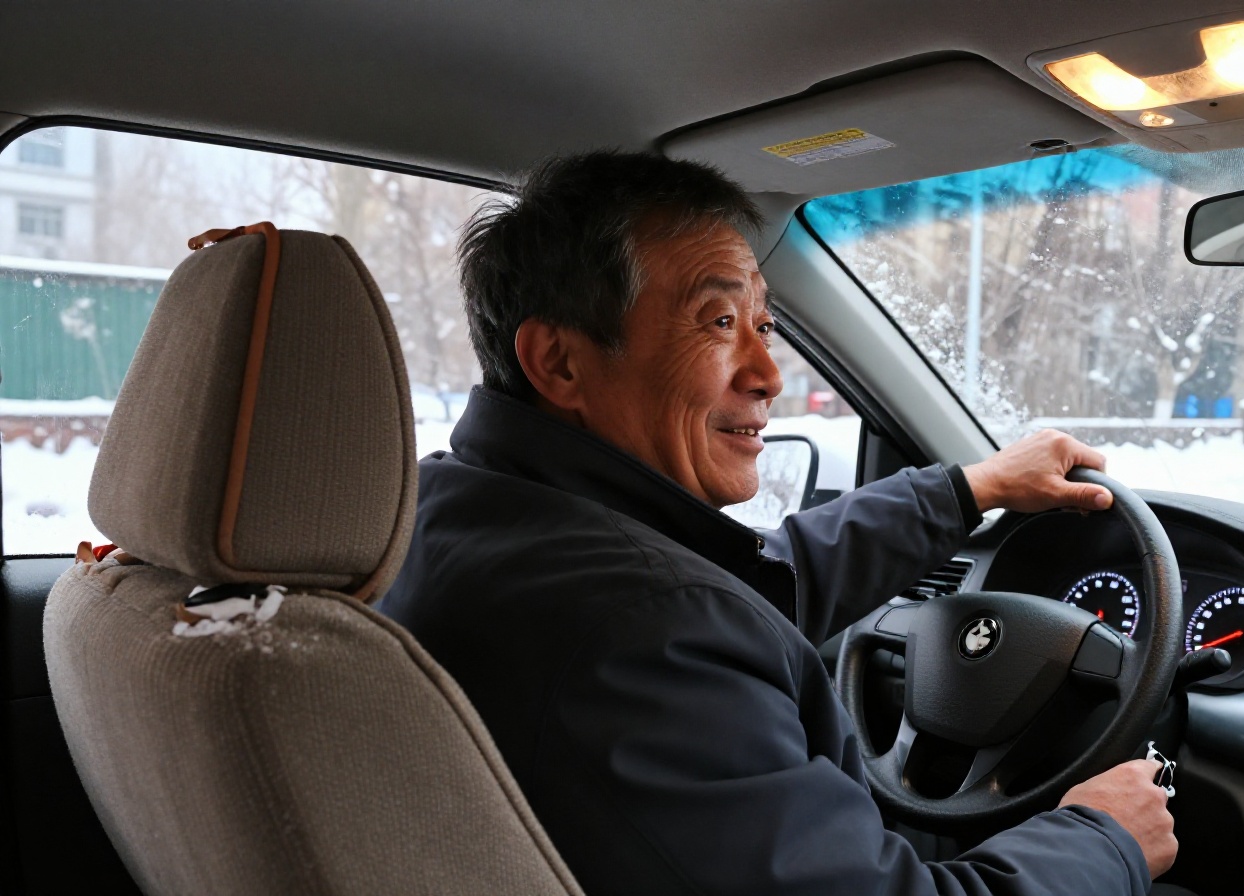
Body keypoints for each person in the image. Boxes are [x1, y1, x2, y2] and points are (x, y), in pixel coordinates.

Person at [379, 151, 1178, 896]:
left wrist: (969, 489)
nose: (768, 374)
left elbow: (750, 589)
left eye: (765, 326)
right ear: (559, 361)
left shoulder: (447, 514)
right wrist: (1103, 839)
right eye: (720, 322)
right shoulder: (642, 633)